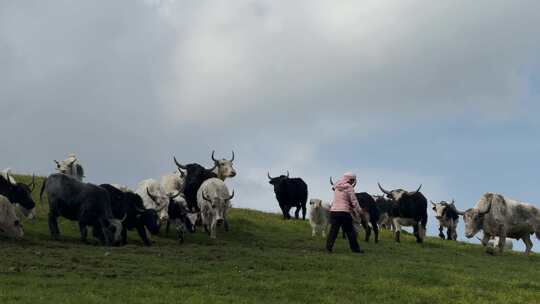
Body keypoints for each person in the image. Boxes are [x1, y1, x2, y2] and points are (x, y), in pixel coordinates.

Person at [326, 172, 364, 253]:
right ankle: (355, 249)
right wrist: (359, 211)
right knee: (350, 231)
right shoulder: (349, 187)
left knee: (333, 231)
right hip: (344, 212)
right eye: (352, 180)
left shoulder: (336, 186)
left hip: (334, 211)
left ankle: (328, 248)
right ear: (349, 179)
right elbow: (354, 201)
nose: (353, 182)